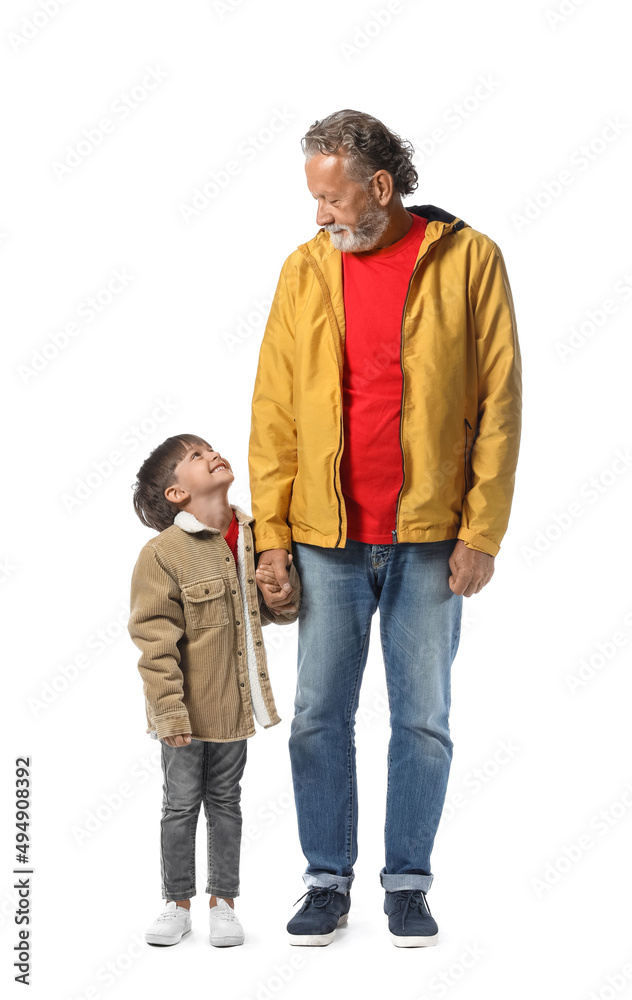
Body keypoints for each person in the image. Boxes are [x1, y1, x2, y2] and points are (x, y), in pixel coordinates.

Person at [248, 109, 522, 947]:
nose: (319, 218)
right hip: (325, 539)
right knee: (319, 715)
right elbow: (274, 414)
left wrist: (485, 531)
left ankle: (408, 881)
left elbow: (500, 407)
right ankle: (326, 879)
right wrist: (270, 536)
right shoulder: (304, 272)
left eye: (331, 201)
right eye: (313, 202)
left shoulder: (471, 260)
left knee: (424, 719)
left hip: (434, 538)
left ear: (379, 186)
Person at [127, 434, 301, 948]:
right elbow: (155, 641)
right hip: (183, 713)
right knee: (180, 805)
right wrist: (169, 714)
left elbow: (270, 615)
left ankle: (223, 903)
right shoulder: (162, 555)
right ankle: (176, 902)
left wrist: (282, 593)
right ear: (178, 494)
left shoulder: (252, 536)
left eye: (208, 448)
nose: (212, 455)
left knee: (226, 802)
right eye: (195, 458)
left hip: (232, 708)